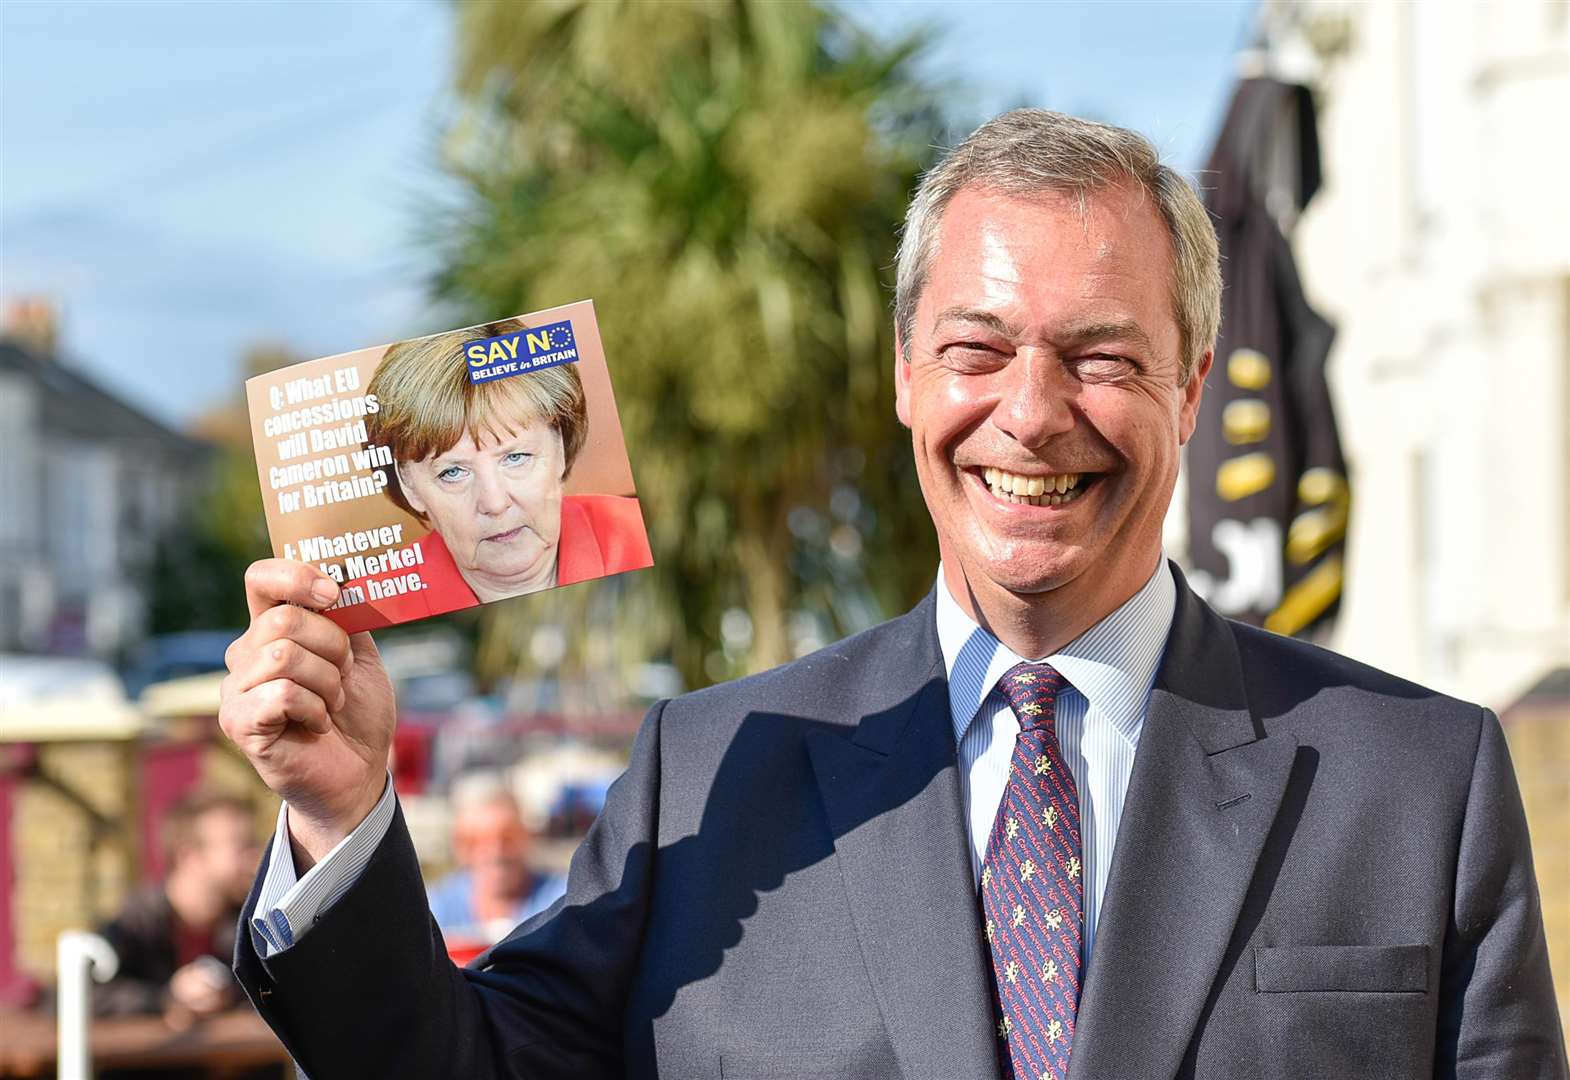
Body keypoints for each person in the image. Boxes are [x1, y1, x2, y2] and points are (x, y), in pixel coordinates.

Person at [218, 109, 1567, 1079]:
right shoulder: (709, 771)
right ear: (906, 379)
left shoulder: (1414, 781)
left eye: (1099, 356)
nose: (1031, 417)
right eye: (976, 349)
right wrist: (341, 813)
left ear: (1193, 390)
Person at [333, 318, 653, 631]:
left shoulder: (645, 534)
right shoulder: (364, 612)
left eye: (516, 457)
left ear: (562, 449)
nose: (495, 502)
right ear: (410, 486)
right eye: (453, 472)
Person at [94, 790, 259, 1026]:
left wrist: (230, 994)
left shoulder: (250, 924)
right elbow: (74, 996)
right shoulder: (135, 924)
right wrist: (165, 998)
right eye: (242, 847)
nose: (256, 858)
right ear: (189, 856)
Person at [426, 773, 566, 949]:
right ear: (460, 846)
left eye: (507, 837)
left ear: (527, 835)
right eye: (477, 840)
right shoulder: (436, 908)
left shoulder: (562, 900)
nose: (495, 852)